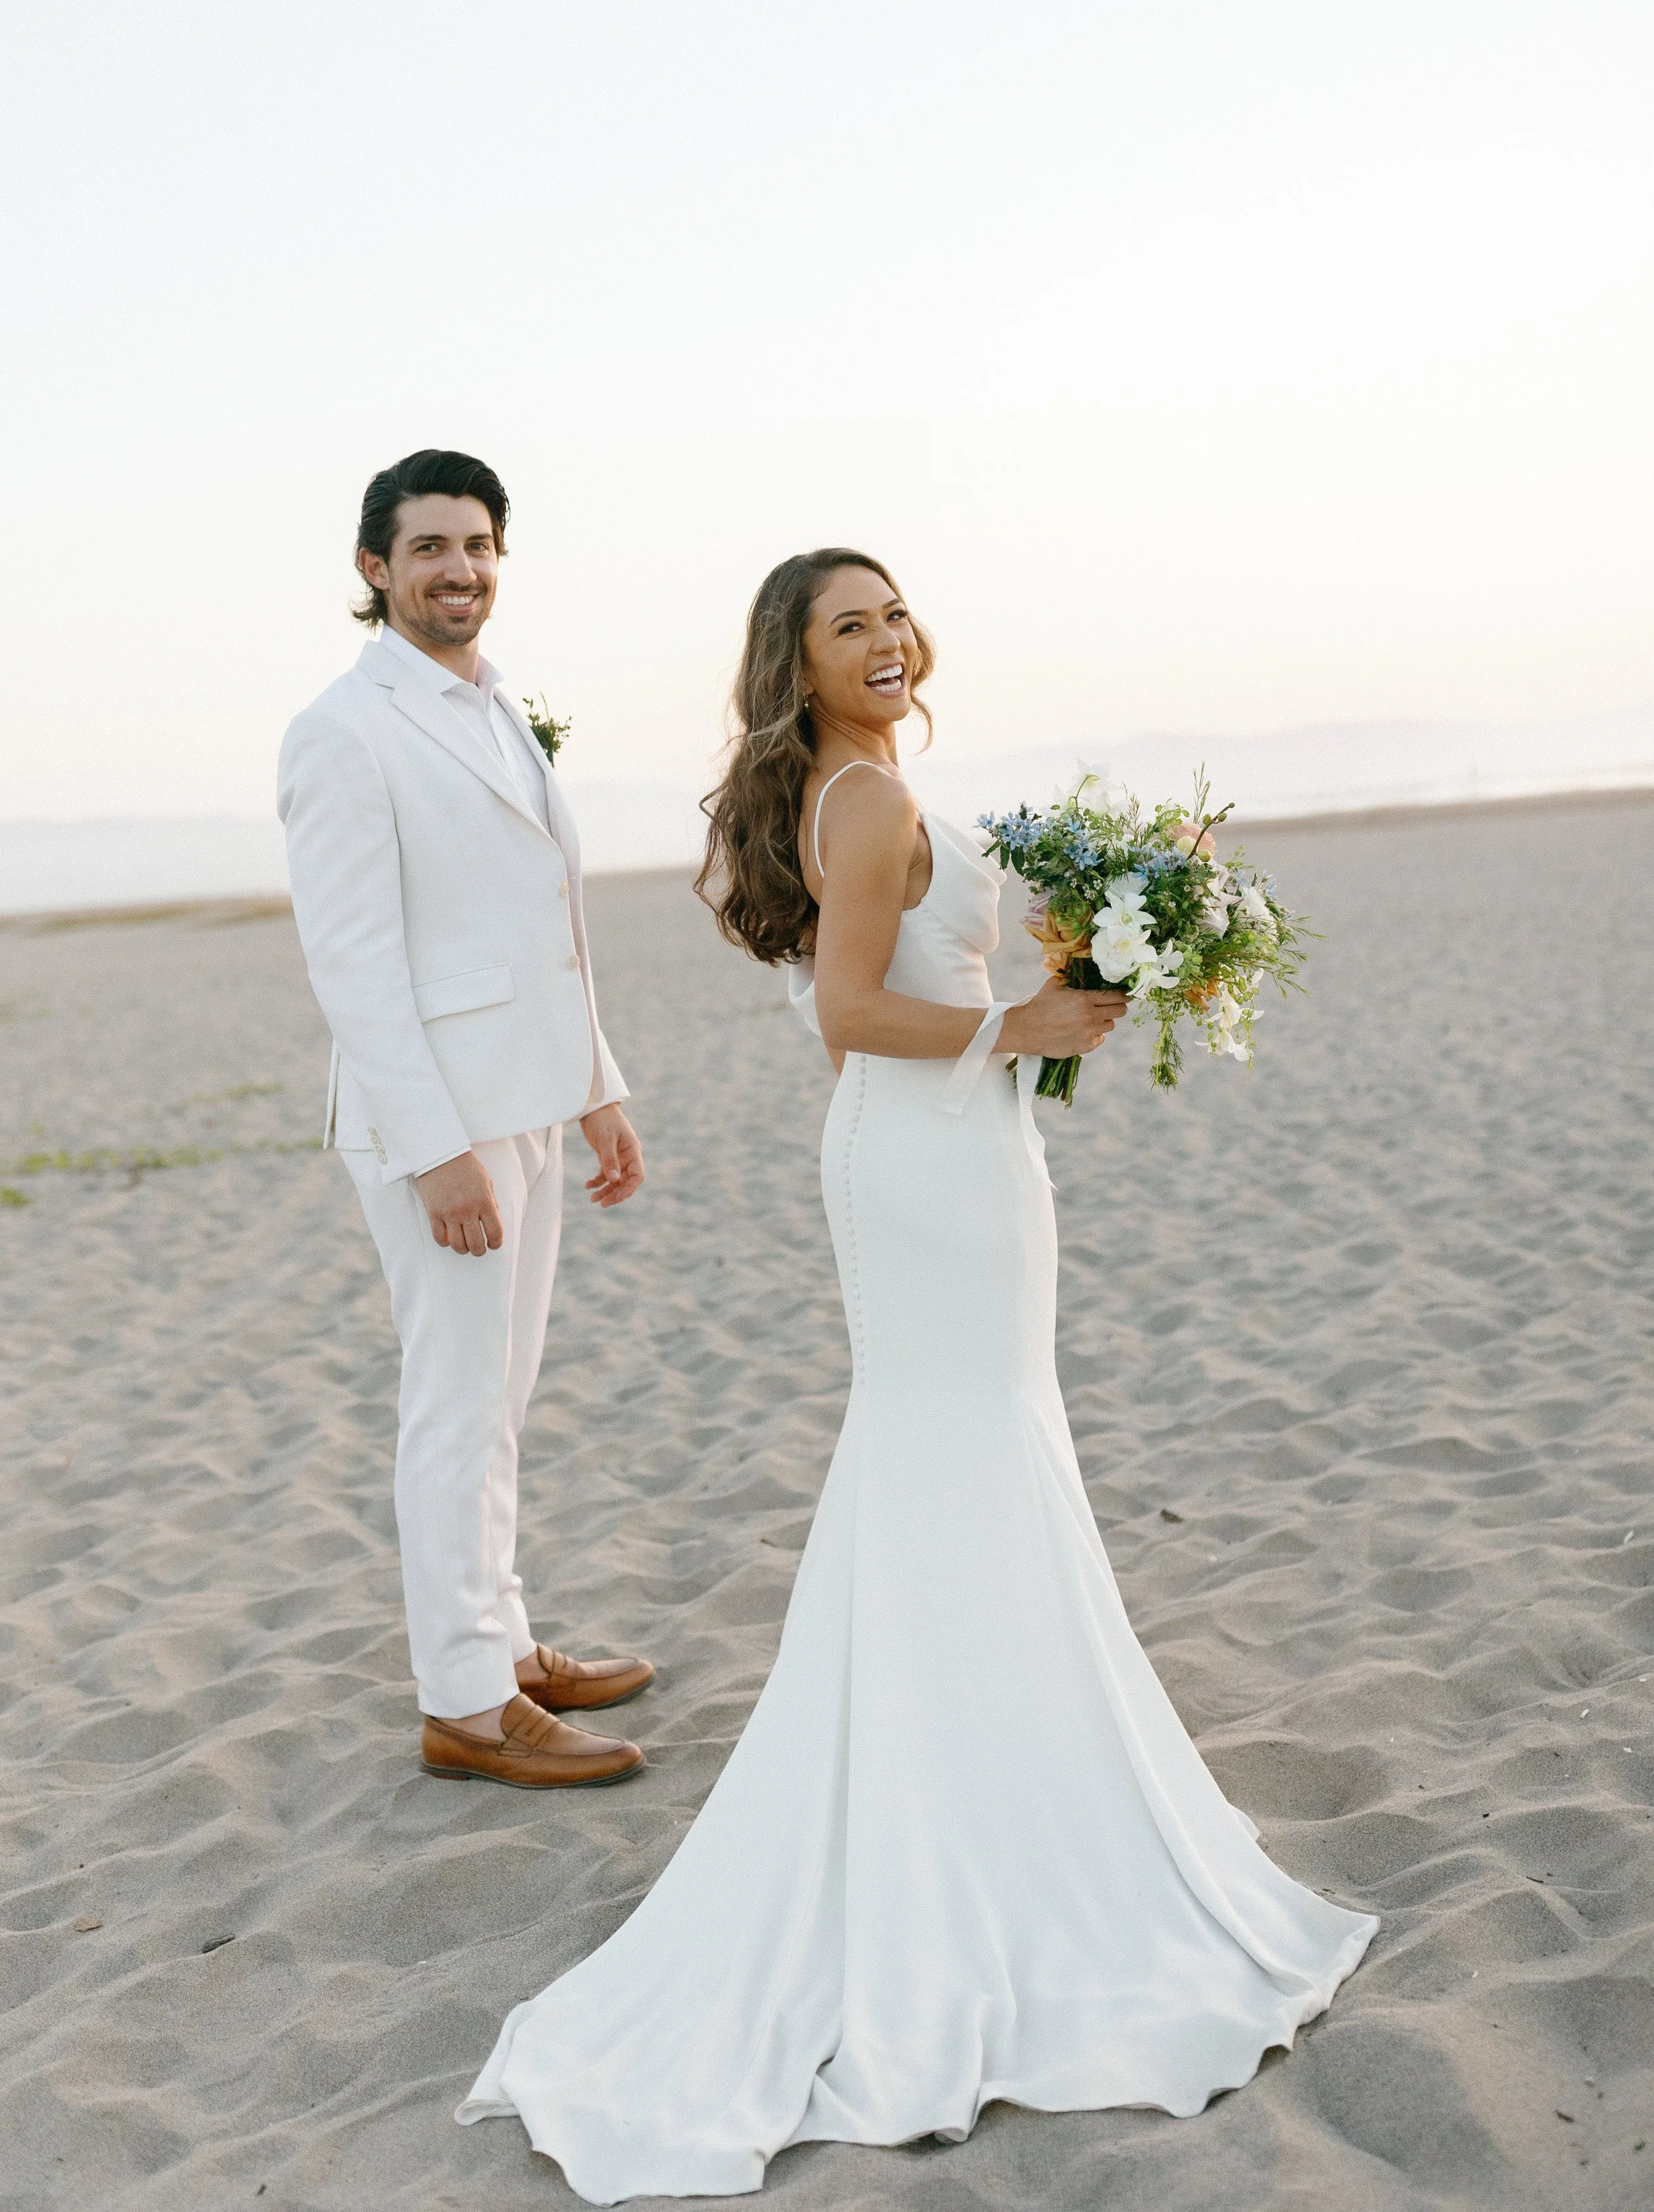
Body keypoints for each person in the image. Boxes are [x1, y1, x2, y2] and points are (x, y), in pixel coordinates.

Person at [457, 549, 1375, 2196]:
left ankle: (993, 1757)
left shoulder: (874, 782)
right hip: (924, 1151)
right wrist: (1014, 1025)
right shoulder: (867, 806)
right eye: (846, 627)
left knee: (979, 1440)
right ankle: (976, 1795)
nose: (884, 642)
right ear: (793, 664)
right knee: (960, 1438)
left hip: (957, 1151)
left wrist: (1079, 974)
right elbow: (846, 1013)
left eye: (891, 616)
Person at [277, 448, 653, 1790]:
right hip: (437, 1121)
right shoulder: (343, 728)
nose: (459, 569)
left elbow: (540, 928)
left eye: (479, 544)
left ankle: (501, 1643)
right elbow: (356, 965)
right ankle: (464, 1701)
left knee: (500, 1398)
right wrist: (438, 1154)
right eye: (429, 546)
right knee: (453, 1403)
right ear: (374, 569)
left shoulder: (493, 708)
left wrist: (597, 1090)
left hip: (532, 1099)